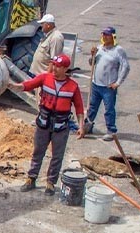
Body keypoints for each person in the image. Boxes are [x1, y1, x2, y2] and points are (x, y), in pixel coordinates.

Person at [11, 54, 86, 195]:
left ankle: (51, 183)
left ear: (65, 69)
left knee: (57, 155)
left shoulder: (72, 87)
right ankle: (31, 178)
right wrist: (13, 86)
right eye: (54, 65)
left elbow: (79, 108)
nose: (54, 68)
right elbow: (27, 85)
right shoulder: (45, 78)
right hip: (43, 123)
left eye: (58, 66)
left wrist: (81, 126)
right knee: (38, 151)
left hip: (60, 126)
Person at [83, 26, 130, 141]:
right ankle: (88, 125)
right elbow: (92, 63)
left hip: (108, 87)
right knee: (92, 107)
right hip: (96, 84)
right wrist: (92, 55)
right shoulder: (99, 48)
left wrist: (117, 83)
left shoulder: (118, 50)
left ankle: (111, 131)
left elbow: (125, 67)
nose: (104, 37)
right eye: (103, 34)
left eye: (107, 35)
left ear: (113, 36)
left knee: (109, 109)